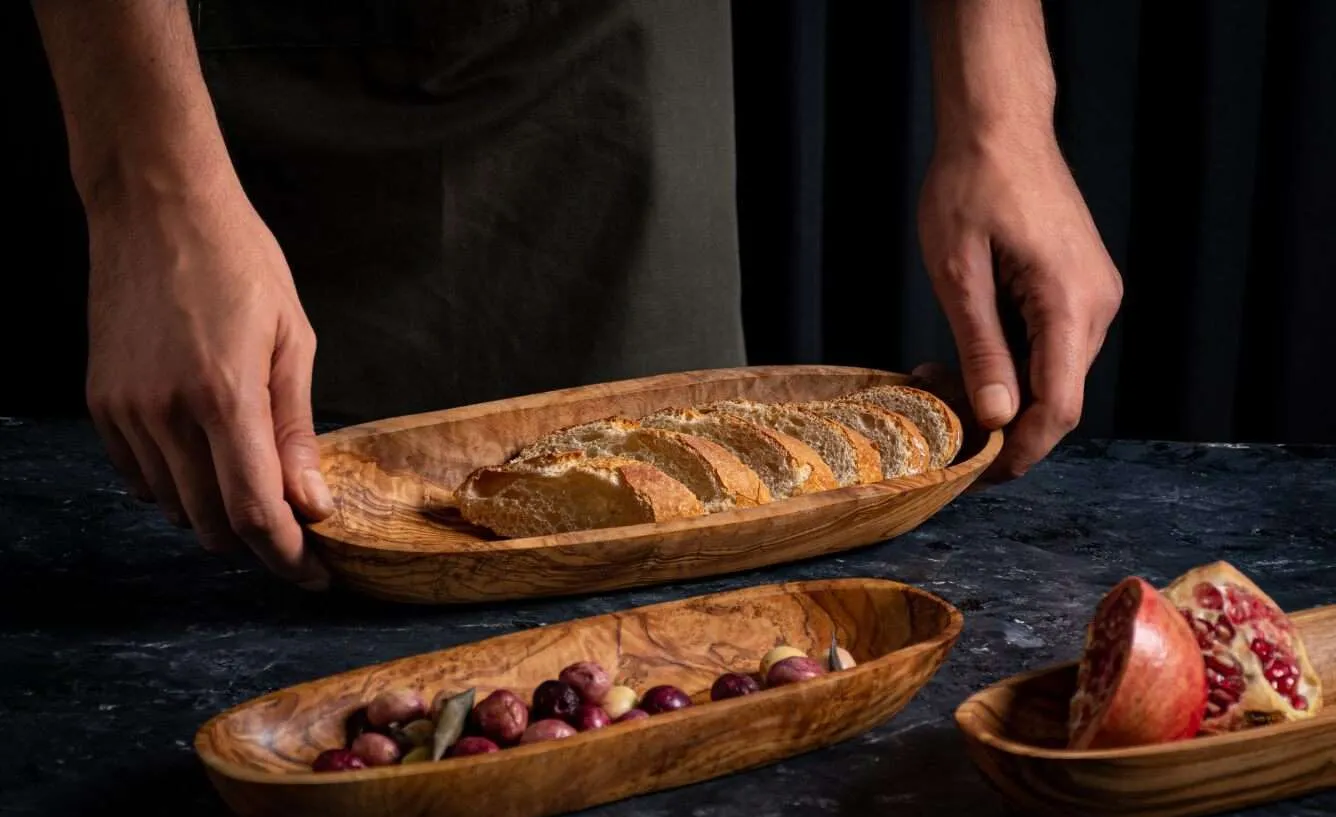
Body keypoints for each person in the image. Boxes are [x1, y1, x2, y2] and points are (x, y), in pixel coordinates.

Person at [31, 0, 1122, 591]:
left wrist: (1002, 104)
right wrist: (144, 184)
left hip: (607, 53)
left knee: (681, 569)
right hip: (175, 64)